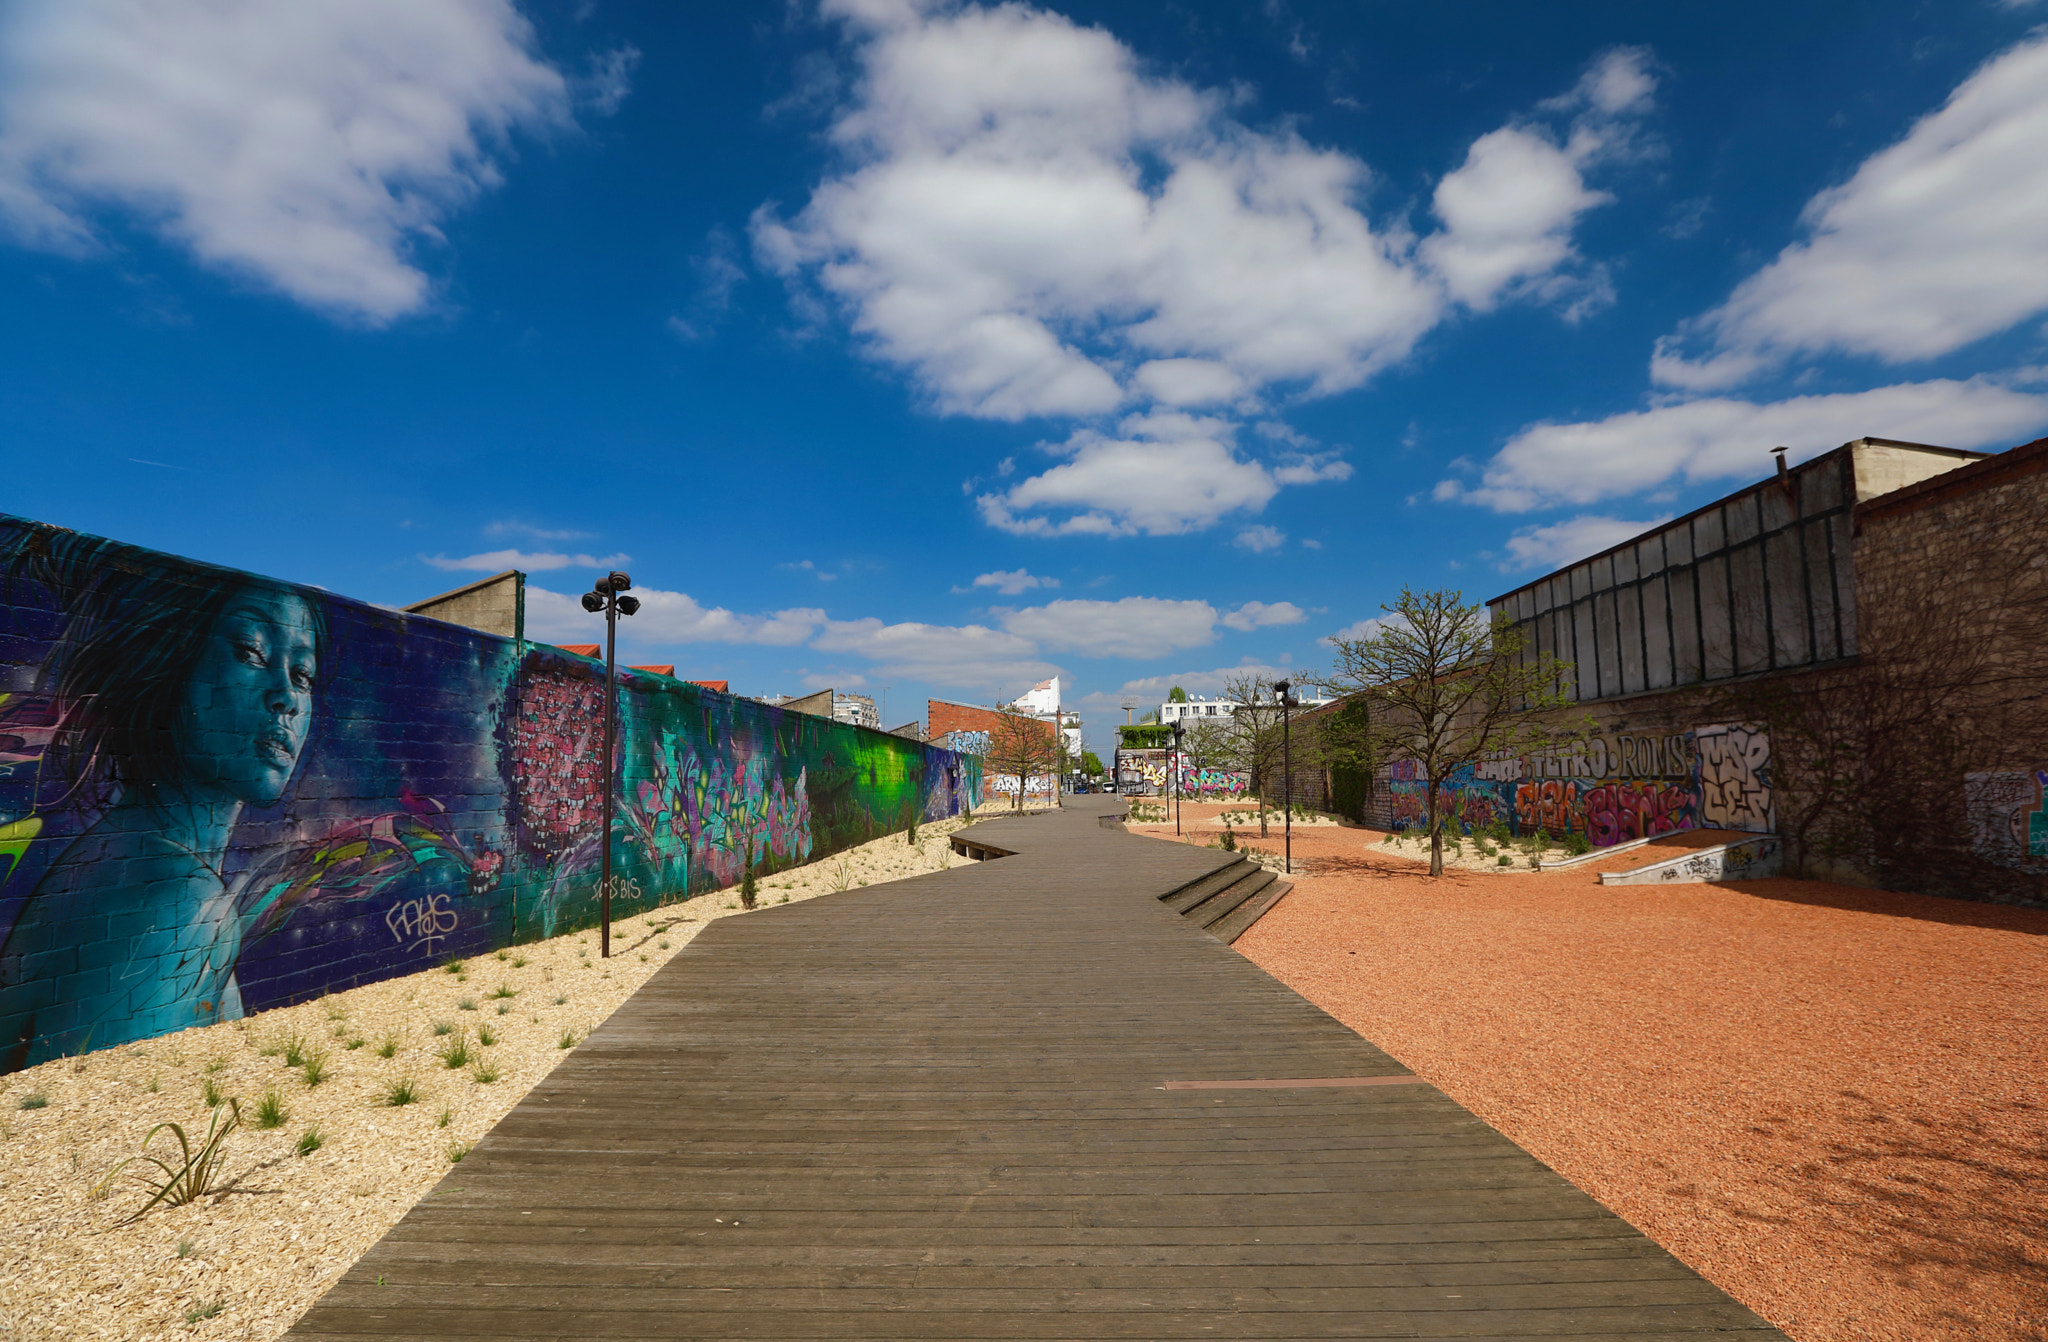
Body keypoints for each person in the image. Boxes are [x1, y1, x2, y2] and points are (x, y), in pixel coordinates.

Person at [1, 567, 322, 1070]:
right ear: (173, 667)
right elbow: (116, 1130)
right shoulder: (177, 901)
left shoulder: (126, 858)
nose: (286, 696)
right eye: (251, 652)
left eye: (303, 675)